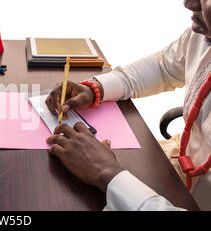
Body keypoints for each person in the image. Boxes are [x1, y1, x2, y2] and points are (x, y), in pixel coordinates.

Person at [45, 0, 211, 210]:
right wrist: (96, 89)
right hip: (184, 165)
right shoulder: (202, 35)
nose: (189, 3)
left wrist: (107, 173)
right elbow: (163, 67)